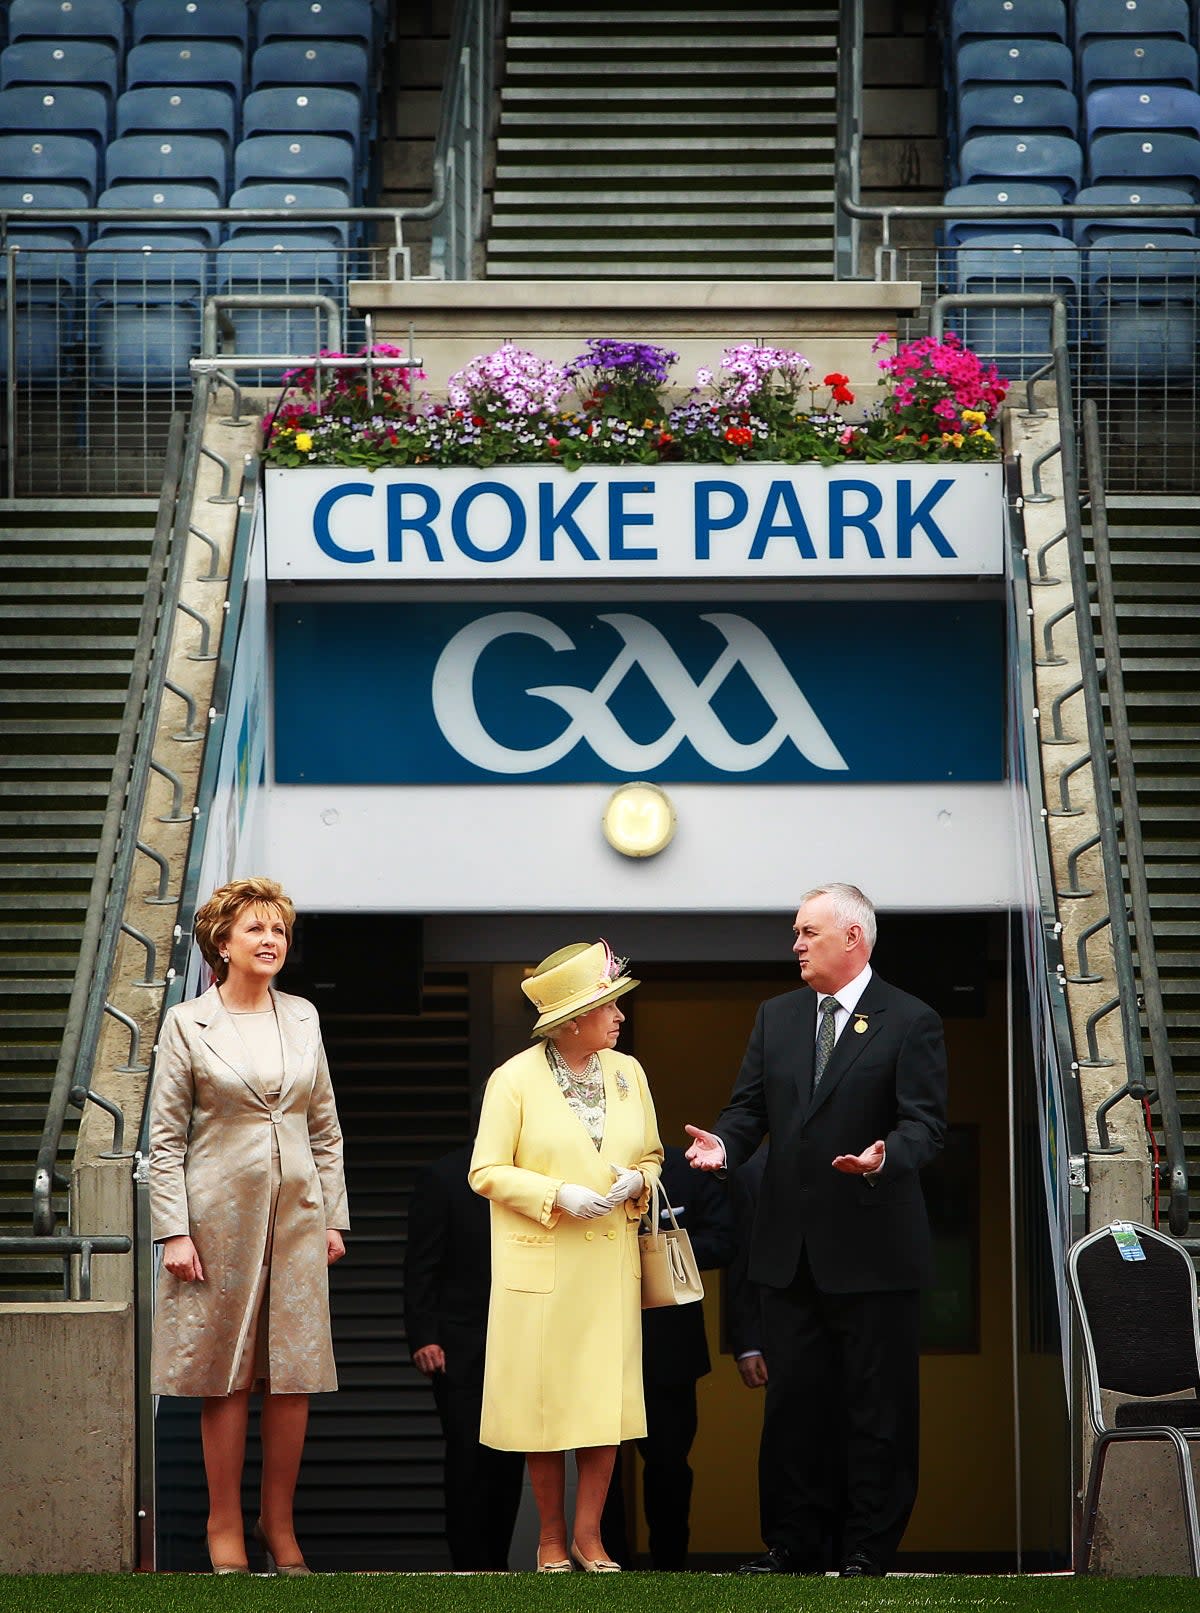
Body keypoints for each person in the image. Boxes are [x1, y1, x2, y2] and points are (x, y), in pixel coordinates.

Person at [685, 883, 947, 1579]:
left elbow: (926, 1121)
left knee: (876, 1411)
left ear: (852, 938)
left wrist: (887, 1155)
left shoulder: (911, 1018)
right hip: (788, 1252)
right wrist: (725, 1145)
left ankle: (866, 1548)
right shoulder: (776, 1017)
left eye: (807, 932)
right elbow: (747, 1109)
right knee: (794, 1409)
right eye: (796, 932)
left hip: (875, 1251)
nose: (795, 944)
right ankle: (793, 1544)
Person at [149, 877, 349, 1577]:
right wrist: (174, 1230)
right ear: (222, 942)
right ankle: (223, 1523)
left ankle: (279, 1522)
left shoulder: (303, 1017)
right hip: (215, 1221)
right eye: (257, 929)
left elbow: (324, 1127)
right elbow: (165, 1138)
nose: (271, 941)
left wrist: (333, 1217)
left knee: (292, 1375)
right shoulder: (187, 1023)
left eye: (280, 932)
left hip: (297, 1217)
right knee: (224, 1374)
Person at [469, 941, 664, 1574]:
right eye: (610, 1005)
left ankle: (590, 1538)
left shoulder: (629, 1074)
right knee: (545, 1411)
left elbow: (653, 1157)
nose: (620, 1017)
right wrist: (557, 1193)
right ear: (573, 1019)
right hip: (544, 1268)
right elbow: (486, 1171)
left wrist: (637, 1183)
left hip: (609, 1267)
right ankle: (550, 1540)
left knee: (603, 1408)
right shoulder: (513, 1079)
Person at [601, 1144, 737, 1569]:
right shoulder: (582, 1165)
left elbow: (723, 1241)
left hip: (669, 1347)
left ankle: (670, 1569)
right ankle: (606, 1565)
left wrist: (654, 1250)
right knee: (598, 1466)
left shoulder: (681, 1169)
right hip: (597, 1343)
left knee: (669, 1465)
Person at [404, 1132, 525, 1569]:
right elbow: (421, 1265)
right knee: (468, 1457)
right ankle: (470, 1569)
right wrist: (423, 1335)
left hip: (524, 1340)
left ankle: (498, 1566)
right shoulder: (445, 1175)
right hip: (459, 1344)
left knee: (510, 1460)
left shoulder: (536, 1176)